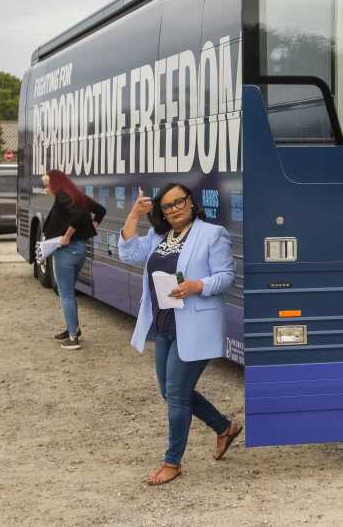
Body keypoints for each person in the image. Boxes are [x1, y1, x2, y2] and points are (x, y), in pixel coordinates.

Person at [118, 183, 242, 486]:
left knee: (175, 395)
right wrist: (134, 214)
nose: (174, 209)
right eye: (167, 206)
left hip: (195, 326)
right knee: (170, 392)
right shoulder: (159, 236)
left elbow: (227, 277)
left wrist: (196, 286)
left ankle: (172, 462)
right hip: (164, 327)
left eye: (179, 202)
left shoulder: (212, 234)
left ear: (191, 202)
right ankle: (224, 428)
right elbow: (129, 254)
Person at [42, 170, 106, 350]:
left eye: (47, 184)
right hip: (80, 249)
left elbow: (77, 215)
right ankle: (73, 329)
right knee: (68, 291)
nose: (46, 188)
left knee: (66, 294)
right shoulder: (75, 194)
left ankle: (72, 337)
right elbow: (100, 211)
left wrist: (67, 235)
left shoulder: (62, 195)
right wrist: (89, 230)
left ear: (56, 183)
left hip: (66, 251)